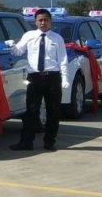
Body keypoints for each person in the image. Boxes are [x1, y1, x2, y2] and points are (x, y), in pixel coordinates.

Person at [6, 8, 69, 151]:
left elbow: (63, 60)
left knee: (53, 111)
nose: (43, 23)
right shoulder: (29, 36)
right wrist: (11, 45)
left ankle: (49, 141)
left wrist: (65, 78)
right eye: (40, 20)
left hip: (52, 77)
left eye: (46, 20)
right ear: (35, 22)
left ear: (50, 21)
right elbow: (19, 51)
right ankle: (26, 142)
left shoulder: (57, 38)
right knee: (31, 111)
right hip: (34, 77)